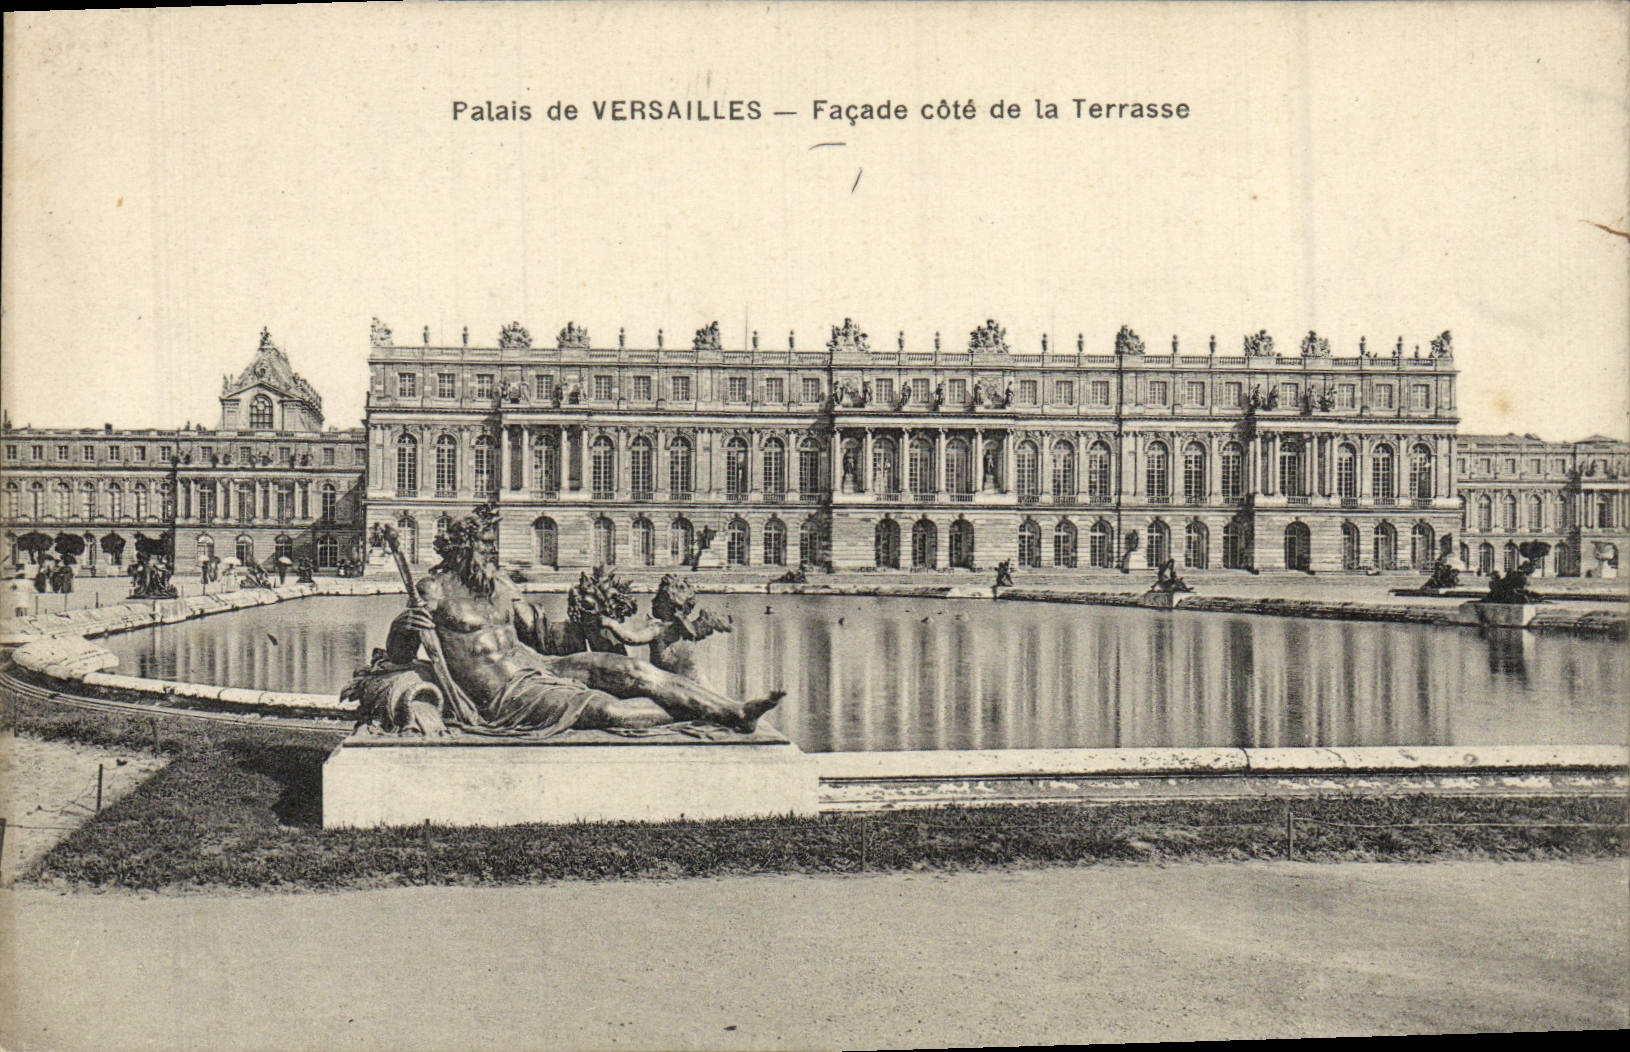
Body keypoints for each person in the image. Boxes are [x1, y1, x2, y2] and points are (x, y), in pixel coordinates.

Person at [355, 507, 781, 737]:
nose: (491, 552)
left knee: (632, 670)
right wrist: (403, 626)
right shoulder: (433, 590)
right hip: (505, 695)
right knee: (609, 711)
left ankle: (734, 711)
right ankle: (704, 713)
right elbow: (399, 655)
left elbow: (544, 636)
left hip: (539, 667)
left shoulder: (500, 585)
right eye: (484, 546)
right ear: (464, 549)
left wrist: (592, 622)